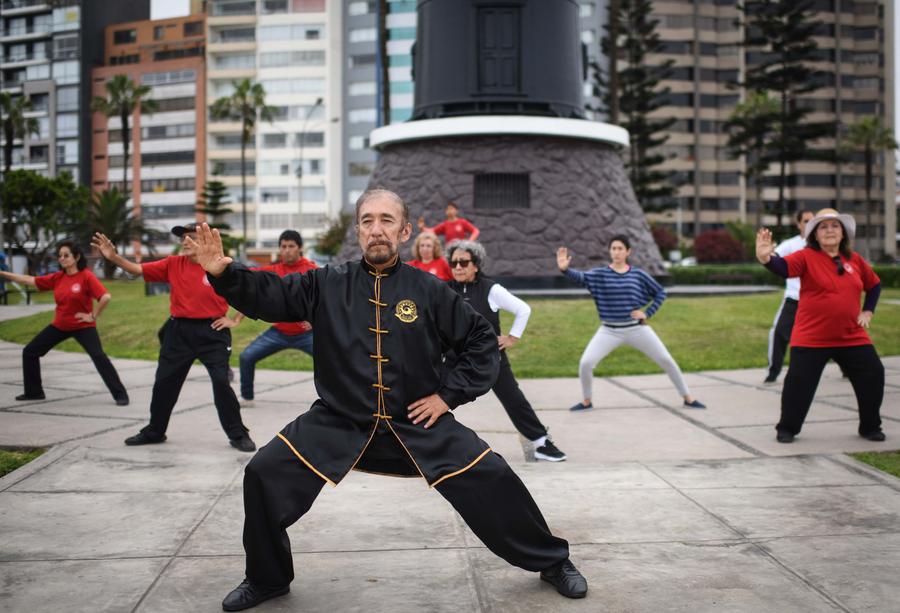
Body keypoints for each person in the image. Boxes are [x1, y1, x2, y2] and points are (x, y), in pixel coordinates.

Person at [189, 188, 587, 611]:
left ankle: (552, 560)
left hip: (416, 422)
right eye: (367, 221)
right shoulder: (326, 283)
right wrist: (224, 273)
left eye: (386, 220)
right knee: (263, 472)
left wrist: (447, 396)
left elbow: (481, 340)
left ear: (404, 231)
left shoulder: (430, 290)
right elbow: (269, 293)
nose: (376, 229)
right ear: (358, 230)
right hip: (339, 419)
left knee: (493, 475)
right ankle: (266, 578)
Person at [91, 223, 256, 452]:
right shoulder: (173, 264)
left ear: (205, 240)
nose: (185, 241)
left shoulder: (220, 265)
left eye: (192, 237)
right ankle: (155, 431)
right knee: (164, 383)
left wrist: (235, 320)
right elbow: (136, 269)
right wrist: (113, 257)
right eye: (183, 238)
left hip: (212, 331)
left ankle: (238, 434)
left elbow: (248, 292)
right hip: (178, 331)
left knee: (221, 381)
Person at [755, 208, 884, 443]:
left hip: (851, 336)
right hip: (812, 338)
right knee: (798, 385)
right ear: (815, 234)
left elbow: (874, 285)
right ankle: (787, 428)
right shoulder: (806, 256)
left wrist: (868, 310)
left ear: (843, 233)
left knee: (873, 373)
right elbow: (783, 267)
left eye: (835, 226)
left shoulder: (854, 260)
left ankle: (870, 427)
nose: (830, 230)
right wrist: (766, 258)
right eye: (823, 227)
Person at [446, 240, 567, 462]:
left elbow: (523, 309)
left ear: (476, 265)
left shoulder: (490, 289)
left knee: (514, 399)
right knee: (432, 396)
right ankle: (419, 442)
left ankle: (541, 443)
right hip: (456, 359)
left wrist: (512, 337)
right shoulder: (445, 290)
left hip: (489, 358)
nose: (458, 267)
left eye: (463, 262)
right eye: (453, 263)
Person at [558, 235, 705, 411]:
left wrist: (647, 313)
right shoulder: (600, 275)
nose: (616, 252)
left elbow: (660, 293)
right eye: (613, 248)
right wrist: (565, 270)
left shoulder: (638, 274)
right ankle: (586, 401)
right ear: (610, 251)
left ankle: (688, 398)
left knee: (666, 360)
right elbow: (580, 277)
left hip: (637, 329)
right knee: (586, 363)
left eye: (620, 248)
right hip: (609, 331)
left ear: (628, 252)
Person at [0, 241, 129, 404]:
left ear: (76, 257)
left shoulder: (86, 276)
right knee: (30, 352)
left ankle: (120, 395)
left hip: (83, 327)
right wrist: (3, 274)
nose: (62, 258)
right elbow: (29, 280)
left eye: (66, 255)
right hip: (60, 326)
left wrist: (92, 316)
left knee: (99, 356)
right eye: (60, 256)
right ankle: (33, 392)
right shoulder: (58, 277)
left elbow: (105, 297)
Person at [236, 230, 317, 405]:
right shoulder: (273, 271)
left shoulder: (312, 270)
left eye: (291, 246)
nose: (287, 250)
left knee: (332, 361)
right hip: (279, 333)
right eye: (283, 246)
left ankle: (333, 401)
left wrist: (315, 320)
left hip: (307, 335)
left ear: (300, 248)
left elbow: (326, 300)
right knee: (246, 357)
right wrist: (236, 318)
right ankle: (247, 398)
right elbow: (249, 282)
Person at [764, 209, 815, 384]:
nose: (810, 224)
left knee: (835, 332)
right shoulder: (791, 244)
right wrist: (766, 253)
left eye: (813, 220)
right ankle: (773, 372)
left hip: (816, 301)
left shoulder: (823, 245)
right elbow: (773, 258)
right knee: (778, 333)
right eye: (806, 221)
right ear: (799, 224)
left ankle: (847, 368)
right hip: (794, 299)